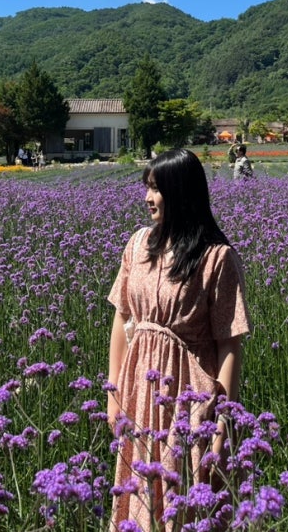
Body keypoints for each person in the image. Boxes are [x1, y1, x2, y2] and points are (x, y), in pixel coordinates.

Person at [107, 148, 251, 530]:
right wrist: (113, 395)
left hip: (190, 399)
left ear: (181, 192)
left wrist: (221, 422)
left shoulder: (217, 258)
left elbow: (230, 343)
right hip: (138, 390)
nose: (147, 198)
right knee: (140, 500)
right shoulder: (137, 245)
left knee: (182, 502)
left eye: (156, 189)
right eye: (146, 187)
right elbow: (122, 316)